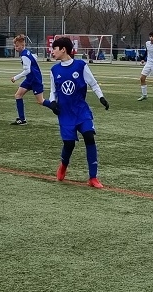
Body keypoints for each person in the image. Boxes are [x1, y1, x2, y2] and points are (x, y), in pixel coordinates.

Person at [44, 35, 109, 188]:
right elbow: (53, 91)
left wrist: (101, 98)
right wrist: (53, 103)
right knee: (69, 144)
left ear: (63, 49)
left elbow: (93, 84)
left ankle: (93, 177)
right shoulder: (54, 70)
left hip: (81, 110)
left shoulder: (81, 65)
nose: (52, 51)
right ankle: (63, 165)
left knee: (89, 137)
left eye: (54, 48)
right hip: (65, 113)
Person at [10, 33, 44, 125]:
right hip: (30, 79)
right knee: (18, 95)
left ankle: (58, 107)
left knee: (40, 101)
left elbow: (27, 70)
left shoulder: (24, 55)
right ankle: (22, 119)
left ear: (22, 45)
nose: (16, 48)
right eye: (15, 46)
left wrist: (15, 78)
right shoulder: (26, 53)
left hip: (35, 79)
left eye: (17, 46)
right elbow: (34, 58)